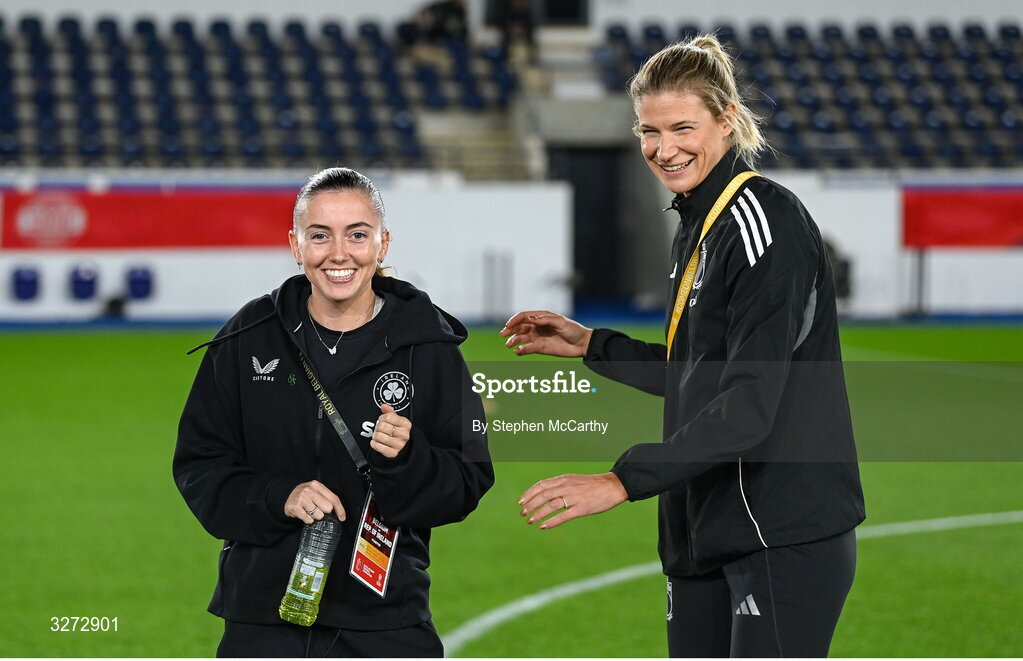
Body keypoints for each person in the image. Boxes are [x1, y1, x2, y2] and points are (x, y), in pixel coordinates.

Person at [501, 35, 865, 658]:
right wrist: (592, 344)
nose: (663, 150)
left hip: (779, 530)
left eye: (682, 128)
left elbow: (750, 399)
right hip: (704, 528)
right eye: (648, 131)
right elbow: (698, 374)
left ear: (726, 122)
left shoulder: (762, 223)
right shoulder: (699, 223)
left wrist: (621, 481)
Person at [174, 167, 494, 657]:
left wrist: (409, 457)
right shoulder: (249, 336)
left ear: (383, 244)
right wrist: (278, 496)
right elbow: (200, 465)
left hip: (385, 619)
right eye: (319, 235)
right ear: (296, 245)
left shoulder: (428, 346)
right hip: (264, 616)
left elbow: (468, 481)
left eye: (357, 235)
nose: (339, 254)